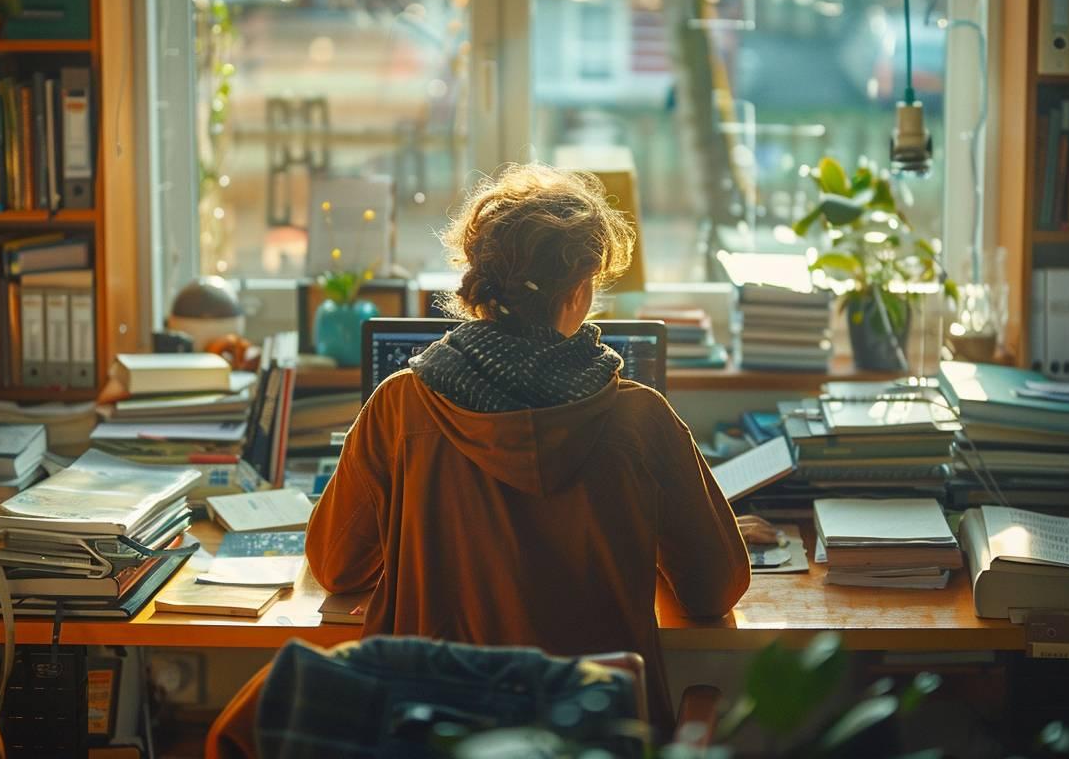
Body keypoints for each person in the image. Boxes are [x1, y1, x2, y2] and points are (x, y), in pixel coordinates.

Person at [306, 164, 750, 728]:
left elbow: (336, 567)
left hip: (434, 735)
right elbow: (714, 590)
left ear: (479, 287)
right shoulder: (639, 419)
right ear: (580, 289)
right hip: (592, 739)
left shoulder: (400, 407)